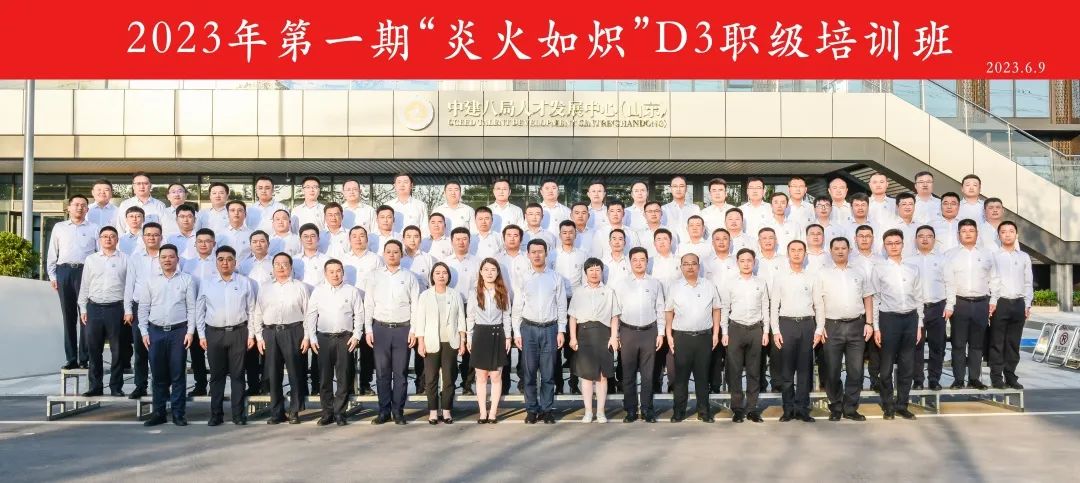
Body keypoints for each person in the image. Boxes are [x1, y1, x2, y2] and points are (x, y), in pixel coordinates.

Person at [815, 237, 874, 422]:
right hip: (832, 327)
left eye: (843, 248)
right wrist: (820, 326)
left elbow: (868, 297)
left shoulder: (859, 271)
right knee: (832, 371)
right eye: (836, 248)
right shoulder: (822, 274)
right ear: (830, 250)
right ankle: (835, 406)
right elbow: (818, 302)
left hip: (857, 325)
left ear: (849, 250)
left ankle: (850, 408)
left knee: (855, 371)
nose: (840, 251)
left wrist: (869, 323)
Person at [196, 246, 256, 426]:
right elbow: (200, 311)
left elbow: (252, 310)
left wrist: (251, 335)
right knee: (217, 377)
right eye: (221, 259)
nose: (225, 263)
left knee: (238, 376)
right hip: (214, 334)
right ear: (216, 262)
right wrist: (202, 335)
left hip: (239, 333)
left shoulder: (244, 282)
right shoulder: (207, 283)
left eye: (229, 259)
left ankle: (238, 414)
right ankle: (216, 414)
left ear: (235, 262)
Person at [137, 244, 197, 427]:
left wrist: (190, 332)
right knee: (158, 375)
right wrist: (144, 332)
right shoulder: (150, 281)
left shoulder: (186, 280)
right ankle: (159, 413)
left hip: (178, 332)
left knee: (178, 374)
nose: (167, 260)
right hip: (155, 332)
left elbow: (192, 308)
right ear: (159, 260)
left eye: (171, 257)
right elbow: (143, 308)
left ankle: (178, 414)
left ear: (177, 259)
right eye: (163, 257)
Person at [364, 240, 421, 425]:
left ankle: (398, 411)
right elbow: (369, 304)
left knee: (400, 373)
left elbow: (415, 306)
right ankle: (384, 411)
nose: (391, 254)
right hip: (380, 328)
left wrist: (413, 330)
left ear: (401, 255)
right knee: (382, 373)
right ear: (383, 254)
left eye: (395, 252)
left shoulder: (410, 277)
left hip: (402, 329)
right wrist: (368, 329)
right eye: (388, 251)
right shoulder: (374, 276)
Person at [871, 229, 925, 420]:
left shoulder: (913, 269)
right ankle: (888, 405)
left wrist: (919, 325)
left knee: (907, 365)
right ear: (884, 246)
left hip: (910, 319)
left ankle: (902, 404)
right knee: (886, 367)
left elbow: (919, 298)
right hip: (889, 319)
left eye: (897, 242)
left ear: (903, 244)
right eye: (889, 243)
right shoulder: (879, 269)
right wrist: (876, 327)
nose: (893, 246)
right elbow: (875, 299)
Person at [512, 239, 567, 425]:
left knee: (548, 373)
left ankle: (547, 409)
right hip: (528, 329)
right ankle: (531, 410)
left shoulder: (556, 278)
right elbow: (517, 307)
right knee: (529, 373)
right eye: (533, 252)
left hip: (550, 329)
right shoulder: (523, 278)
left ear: (546, 253)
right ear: (528, 255)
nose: (537, 255)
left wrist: (561, 331)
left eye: (540, 251)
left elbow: (561, 306)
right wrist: (516, 333)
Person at [305, 259, 364, 427]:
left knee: (343, 378)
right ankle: (327, 412)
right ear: (325, 274)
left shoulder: (351, 291)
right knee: (324, 378)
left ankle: (340, 413)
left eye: (338, 271)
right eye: (331, 271)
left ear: (343, 272)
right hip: (323, 339)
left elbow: (359, 314)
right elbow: (311, 315)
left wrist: (356, 335)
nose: (335, 274)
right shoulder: (318, 291)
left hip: (345, 339)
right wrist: (312, 337)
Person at [253, 252, 310, 425]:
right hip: (270, 333)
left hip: (294, 331)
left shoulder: (300, 287)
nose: (281, 267)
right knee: (272, 374)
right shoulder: (265, 288)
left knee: (295, 373)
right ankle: (276, 412)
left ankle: (295, 411)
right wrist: (259, 336)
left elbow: (308, 314)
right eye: (277, 264)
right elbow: (258, 313)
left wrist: (307, 336)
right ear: (272, 267)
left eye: (285, 263)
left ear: (291, 267)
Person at [770, 240, 822, 423]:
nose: (797, 253)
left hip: (807, 325)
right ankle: (788, 409)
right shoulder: (780, 277)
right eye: (793, 250)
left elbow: (819, 304)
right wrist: (775, 330)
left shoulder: (812, 277)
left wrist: (819, 329)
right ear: (788, 253)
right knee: (786, 371)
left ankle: (802, 409)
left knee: (804, 370)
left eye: (800, 250)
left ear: (805, 254)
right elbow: (774, 305)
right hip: (786, 325)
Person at [667, 253, 722, 423]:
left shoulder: (708, 285)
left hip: (704, 337)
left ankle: (704, 412)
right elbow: (669, 311)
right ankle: (679, 412)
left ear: (699, 266)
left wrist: (715, 333)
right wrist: (669, 334)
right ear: (681, 267)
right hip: (682, 337)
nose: (690, 267)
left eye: (693, 263)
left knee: (702, 377)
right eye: (686, 264)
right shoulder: (674, 287)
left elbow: (716, 309)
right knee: (681, 378)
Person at [49, 194, 99, 370]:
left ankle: (84, 358)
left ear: (87, 209)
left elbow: (99, 254)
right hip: (64, 272)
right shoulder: (59, 227)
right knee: (68, 317)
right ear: (68, 207)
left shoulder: (94, 228)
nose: (79, 207)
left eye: (83, 205)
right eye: (76, 204)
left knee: (86, 316)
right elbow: (52, 253)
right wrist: (53, 276)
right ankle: (71, 358)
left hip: (86, 272)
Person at [77, 225, 129, 397]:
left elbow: (129, 287)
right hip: (94, 307)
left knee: (117, 350)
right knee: (94, 349)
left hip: (116, 308)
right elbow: (85, 285)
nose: (108, 239)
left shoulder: (125, 259)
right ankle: (95, 386)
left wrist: (128, 309)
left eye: (112, 236)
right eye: (104, 236)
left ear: (117, 239)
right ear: (99, 240)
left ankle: (116, 387)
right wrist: (83, 308)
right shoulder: (91, 259)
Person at [943, 219, 995, 390]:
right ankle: (958, 379)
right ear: (958, 234)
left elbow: (994, 279)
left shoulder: (987, 254)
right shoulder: (950, 255)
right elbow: (947, 282)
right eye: (963, 231)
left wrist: (993, 300)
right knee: (958, 344)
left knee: (977, 344)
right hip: (960, 303)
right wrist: (950, 304)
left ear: (977, 234)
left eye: (971, 231)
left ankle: (974, 378)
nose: (967, 234)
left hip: (981, 303)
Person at [569, 258, 621, 423]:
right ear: (585, 273)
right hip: (584, 333)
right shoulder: (579, 292)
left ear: (602, 272)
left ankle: (600, 412)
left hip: (603, 333)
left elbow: (614, 316)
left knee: (602, 376)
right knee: (586, 376)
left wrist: (614, 337)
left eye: (597, 269)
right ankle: (588, 411)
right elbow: (573, 317)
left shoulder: (609, 291)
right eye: (591, 270)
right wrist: (573, 337)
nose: (594, 273)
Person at [720, 249, 769, 423]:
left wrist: (766, 331)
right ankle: (738, 409)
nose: (746, 264)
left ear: (754, 262)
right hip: (736, 328)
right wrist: (724, 332)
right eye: (742, 260)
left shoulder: (761, 282)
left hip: (756, 329)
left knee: (754, 371)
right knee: (734, 371)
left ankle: (752, 408)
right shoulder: (730, 283)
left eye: (749, 260)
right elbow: (725, 308)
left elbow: (765, 307)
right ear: (737, 263)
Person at [616, 247, 665, 423]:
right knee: (628, 374)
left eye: (642, 259)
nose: (638, 263)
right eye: (635, 260)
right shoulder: (621, 284)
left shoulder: (655, 283)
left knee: (648, 374)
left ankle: (647, 409)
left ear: (647, 262)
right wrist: (616, 335)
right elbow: (616, 311)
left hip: (649, 332)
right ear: (630, 262)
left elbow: (660, 309)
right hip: (627, 332)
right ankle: (630, 410)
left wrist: (660, 333)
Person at [414, 263, 467, 425]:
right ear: (432, 276)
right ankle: (432, 411)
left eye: (444, 273)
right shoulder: (425, 295)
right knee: (431, 378)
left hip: (450, 341)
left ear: (449, 276)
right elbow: (420, 320)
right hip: (431, 342)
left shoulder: (455, 295)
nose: (441, 275)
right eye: (437, 273)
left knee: (449, 378)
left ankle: (446, 410)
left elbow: (461, 319)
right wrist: (420, 342)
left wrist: (462, 341)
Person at [339, 225, 384, 396]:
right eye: (354, 236)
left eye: (362, 236)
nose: (358, 239)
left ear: (367, 239)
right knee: (347, 347)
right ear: (349, 239)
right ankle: (349, 385)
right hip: (347, 308)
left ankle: (365, 383)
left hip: (369, 307)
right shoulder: (343, 259)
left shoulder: (375, 259)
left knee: (367, 347)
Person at [467, 258, 513, 424]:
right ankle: (482, 412)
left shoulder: (503, 291)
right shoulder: (474, 292)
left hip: (497, 333)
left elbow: (506, 316)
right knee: (480, 377)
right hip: (480, 334)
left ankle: (493, 412)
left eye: (493, 269)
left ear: (498, 272)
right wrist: (469, 337)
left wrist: (508, 336)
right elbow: (470, 316)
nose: (489, 273)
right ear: (481, 272)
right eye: (486, 269)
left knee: (495, 376)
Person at [989, 221, 1032, 390]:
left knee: (1013, 342)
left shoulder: (1024, 257)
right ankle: (996, 376)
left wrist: (1027, 303)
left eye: (1011, 231)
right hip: (1000, 303)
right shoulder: (993, 256)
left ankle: (1010, 375)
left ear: (1016, 235)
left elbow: (1028, 282)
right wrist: (993, 301)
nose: (1007, 234)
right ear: (998, 236)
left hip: (1019, 303)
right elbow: (992, 281)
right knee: (997, 341)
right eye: (1003, 232)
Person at [123, 222, 164, 399]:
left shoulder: (168, 256)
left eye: (155, 235)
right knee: (140, 350)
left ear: (161, 237)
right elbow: (129, 285)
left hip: (161, 307)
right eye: (148, 235)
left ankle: (160, 385)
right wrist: (127, 309)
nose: (152, 238)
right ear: (143, 237)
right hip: (139, 307)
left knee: (159, 350)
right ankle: (140, 386)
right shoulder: (136, 258)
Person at [911, 225, 947, 391]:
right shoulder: (908, 261)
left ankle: (934, 379)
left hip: (937, 307)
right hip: (915, 309)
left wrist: (950, 306)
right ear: (915, 239)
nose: (925, 239)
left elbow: (950, 283)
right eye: (921, 236)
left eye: (929, 236)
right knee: (916, 345)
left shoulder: (942, 260)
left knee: (937, 345)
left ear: (934, 239)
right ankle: (918, 380)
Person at [181, 228, 216, 397]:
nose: (203, 244)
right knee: (196, 352)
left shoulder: (218, 262)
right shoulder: (188, 264)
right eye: (200, 241)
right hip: (194, 312)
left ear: (214, 244)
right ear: (195, 244)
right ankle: (200, 385)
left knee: (215, 353)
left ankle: (216, 385)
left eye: (207, 241)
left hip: (214, 312)